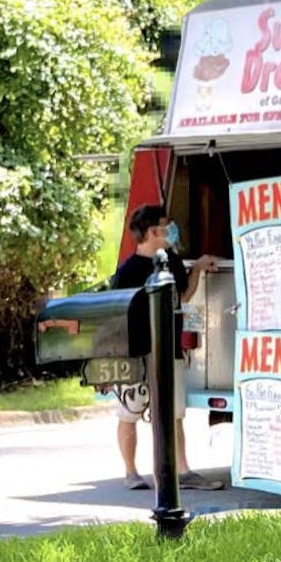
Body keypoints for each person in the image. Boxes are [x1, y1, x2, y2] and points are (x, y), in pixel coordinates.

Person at [108, 205, 223, 491]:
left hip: (170, 350)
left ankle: (182, 471)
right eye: (166, 224)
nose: (172, 229)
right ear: (151, 232)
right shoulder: (127, 272)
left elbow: (183, 296)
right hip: (137, 354)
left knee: (175, 413)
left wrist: (196, 269)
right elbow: (115, 317)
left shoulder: (171, 260)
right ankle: (131, 472)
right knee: (129, 413)